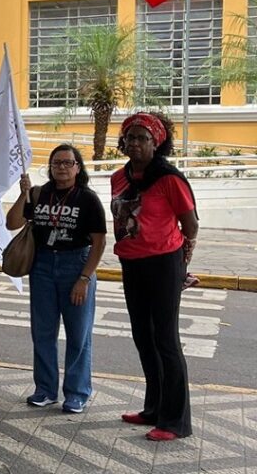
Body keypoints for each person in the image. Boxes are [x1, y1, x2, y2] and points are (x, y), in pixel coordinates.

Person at [111, 112, 198, 442]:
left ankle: (175, 420)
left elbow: (190, 226)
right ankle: (154, 408)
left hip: (164, 263)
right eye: (130, 137)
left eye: (142, 138)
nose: (134, 143)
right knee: (142, 336)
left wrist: (181, 263)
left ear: (157, 143)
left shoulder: (169, 179)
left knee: (165, 339)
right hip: (132, 263)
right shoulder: (119, 177)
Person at [6, 144, 106, 413]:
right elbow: (12, 222)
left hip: (76, 265)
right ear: (50, 167)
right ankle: (46, 389)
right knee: (43, 332)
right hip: (43, 266)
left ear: (77, 167)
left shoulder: (87, 199)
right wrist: (23, 194)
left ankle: (77, 392)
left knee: (78, 334)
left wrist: (84, 278)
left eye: (67, 163)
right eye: (56, 162)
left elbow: (98, 242)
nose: (62, 167)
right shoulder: (40, 193)